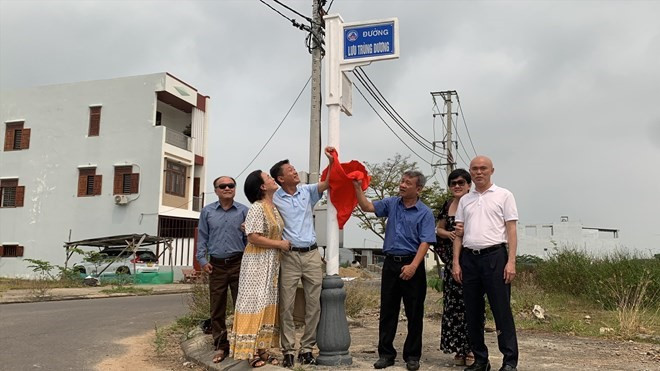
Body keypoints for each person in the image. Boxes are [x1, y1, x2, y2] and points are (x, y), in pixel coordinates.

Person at [353, 170, 436, 371]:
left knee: (414, 312)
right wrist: (357, 187)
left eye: (408, 183)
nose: (402, 185)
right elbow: (367, 206)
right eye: (402, 181)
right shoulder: (392, 203)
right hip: (390, 264)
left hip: (412, 263)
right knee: (388, 311)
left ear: (418, 189)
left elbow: (425, 242)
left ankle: (413, 355)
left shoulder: (425, 212)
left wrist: (414, 266)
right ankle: (386, 354)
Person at [452, 156, 519, 371]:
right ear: (470, 172)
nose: (479, 172)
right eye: (474, 169)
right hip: (469, 259)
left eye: (483, 169)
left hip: (495, 257)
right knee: (472, 312)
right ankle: (480, 359)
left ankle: (509, 361)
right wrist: (456, 262)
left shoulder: (504, 195)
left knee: (501, 311)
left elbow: (511, 230)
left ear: (491, 170)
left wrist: (511, 262)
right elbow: (459, 234)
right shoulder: (465, 200)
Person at [269, 147, 334, 368]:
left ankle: (307, 349)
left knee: (313, 304)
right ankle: (288, 350)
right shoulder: (274, 199)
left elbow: (327, 183)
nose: (295, 172)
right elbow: (263, 215)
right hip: (288, 256)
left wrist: (332, 161)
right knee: (286, 305)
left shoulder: (306, 191)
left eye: (294, 169)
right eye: (290, 170)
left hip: (312, 254)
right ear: (280, 178)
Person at [227, 170, 290, 367]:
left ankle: (263, 349)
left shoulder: (274, 207)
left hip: (271, 264)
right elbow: (253, 236)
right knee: (253, 304)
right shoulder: (257, 207)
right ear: (262, 186)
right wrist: (279, 245)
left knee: (267, 304)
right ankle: (250, 352)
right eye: (269, 178)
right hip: (256, 264)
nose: (273, 179)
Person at [196, 176, 248, 364]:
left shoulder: (244, 211)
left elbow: (249, 240)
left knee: (241, 307)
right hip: (216, 265)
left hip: (238, 263)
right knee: (217, 306)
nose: (227, 188)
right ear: (216, 190)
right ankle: (221, 345)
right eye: (223, 186)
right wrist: (202, 259)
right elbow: (202, 237)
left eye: (231, 185)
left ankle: (241, 344)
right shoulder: (207, 212)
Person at [435, 169, 475, 366]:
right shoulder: (448, 205)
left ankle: (472, 349)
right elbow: (439, 229)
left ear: (469, 185)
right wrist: (448, 234)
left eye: (461, 182)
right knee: (453, 306)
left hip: (472, 260)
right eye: (453, 183)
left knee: (472, 306)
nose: (457, 186)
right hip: (452, 264)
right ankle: (459, 349)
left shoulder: (476, 203)